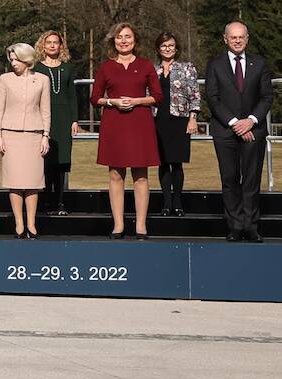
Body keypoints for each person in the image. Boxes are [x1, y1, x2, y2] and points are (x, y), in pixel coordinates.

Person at [205, 20, 272, 243]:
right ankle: (235, 226)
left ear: (247, 38)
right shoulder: (215, 65)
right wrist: (235, 123)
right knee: (230, 179)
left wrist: (250, 121)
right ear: (225, 39)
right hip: (225, 132)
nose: (237, 40)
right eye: (233, 37)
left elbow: (266, 98)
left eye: (241, 36)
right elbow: (213, 100)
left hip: (254, 131)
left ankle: (251, 227)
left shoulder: (260, 64)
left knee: (252, 180)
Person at [93, 22, 161, 239]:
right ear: (114, 41)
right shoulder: (106, 67)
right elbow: (95, 98)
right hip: (114, 124)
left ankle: (141, 225)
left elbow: (158, 96)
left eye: (128, 37)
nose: (124, 41)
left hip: (140, 123)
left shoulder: (146, 65)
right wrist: (112, 102)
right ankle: (118, 224)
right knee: (115, 174)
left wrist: (138, 100)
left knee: (140, 175)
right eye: (120, 37)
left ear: (135, 40)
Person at [0, 43, 52, 238]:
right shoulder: (5, 80)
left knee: (33, 182)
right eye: (11, 59)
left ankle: (32, 224)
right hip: (10, 135)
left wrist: (45, 136)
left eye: (16, 59)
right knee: (15, 181)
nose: (13, 63)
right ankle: (19, 223)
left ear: (27, 59)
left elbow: (46, 110)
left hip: (34, 136)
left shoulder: (42, 80)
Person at [32, 30, 82, 216]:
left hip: (63, 117)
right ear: (42, 46)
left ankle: (60, 203)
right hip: (43, 116)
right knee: (45, 160)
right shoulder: (36, 68)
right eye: (49, 42)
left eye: (56, 42)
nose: (52, 45)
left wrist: (74, 119)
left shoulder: (67, 68)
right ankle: (45, 203)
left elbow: (71, 96)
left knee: (62, 161)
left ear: (61, 46)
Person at [154, 32, 199, 218]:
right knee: (163, 162)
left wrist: (193, 118)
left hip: (179, 120)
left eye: (171, 45)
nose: (168, 49)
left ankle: (178, 202)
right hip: (158, 119)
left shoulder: (187, 68)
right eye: (164, 46)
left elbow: (194, 94)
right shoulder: (152, 70)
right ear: (158, 49)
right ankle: (166, 203)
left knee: (177, 163)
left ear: (176, 48)